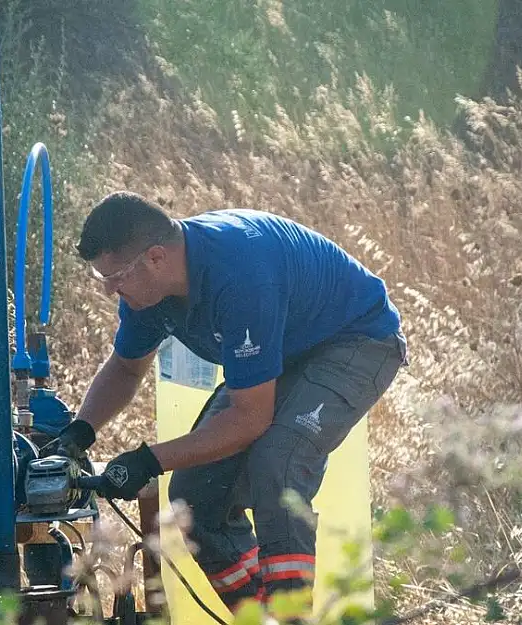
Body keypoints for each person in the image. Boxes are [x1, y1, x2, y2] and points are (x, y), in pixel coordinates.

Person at [53, 191, 408, 611]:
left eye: (115, 277)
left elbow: (249, 420)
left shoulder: (240, 276)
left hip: (356, 340)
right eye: (102, 279)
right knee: (193, 496)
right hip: (288, 348)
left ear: (155, 258)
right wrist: (79, 432)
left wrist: (148, 461)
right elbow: (126, 370)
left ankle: (291, 618)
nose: (111, 290)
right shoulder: (147, 292)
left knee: (278, 463)